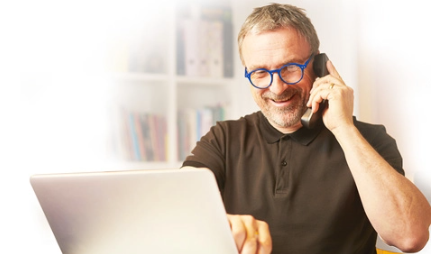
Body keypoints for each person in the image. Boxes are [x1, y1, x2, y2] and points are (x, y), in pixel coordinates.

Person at [181, 3, 431, 254]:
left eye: (290, 67)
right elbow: (175, 213)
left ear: (319, 65)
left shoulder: (369, 140)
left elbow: (410, 237)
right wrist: (222, 225)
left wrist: (343, 128)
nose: (277, 88)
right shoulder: (223, 140)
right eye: (259, 72)